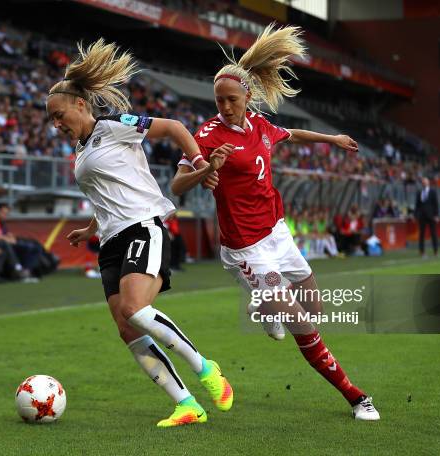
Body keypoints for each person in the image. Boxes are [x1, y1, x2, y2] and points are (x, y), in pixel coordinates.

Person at [172, 24, 379, 420]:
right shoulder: (208, 136)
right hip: (246, 248)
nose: (225, 107)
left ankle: (264, 307)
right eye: (219, 100)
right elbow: (178, 183)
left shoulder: (262, 126)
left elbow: (292, 134)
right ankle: (356, 397)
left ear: (248, 98)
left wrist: (332, 139)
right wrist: (206, 170)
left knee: (313, 308)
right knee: (303, 324)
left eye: (231, 100)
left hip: (277, 234)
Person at [45, 39, 233, 427]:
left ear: (80, 104)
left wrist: (199, 161)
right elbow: (108, 193)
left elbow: (175, 128)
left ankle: (206, 368)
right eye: (51, 119)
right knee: (126, 326)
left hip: (143, 228)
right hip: (110, 240)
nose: (56, 123)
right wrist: (90, 228)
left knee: (134, 308)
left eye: (59, 114)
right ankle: (186, 404)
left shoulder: (114, 126)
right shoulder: (81, 151)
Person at [415, 177, 439, 257]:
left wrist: (436, 215)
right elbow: (417, 205)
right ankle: (422, 251)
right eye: (423, 182)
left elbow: (435, 204)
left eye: (425, 182)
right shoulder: (419, 192)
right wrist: (416, 215)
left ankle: (435, 251)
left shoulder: (432, 191)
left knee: (433, 234)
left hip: (431, 215)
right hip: (422, 216)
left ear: (428, 183)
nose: (424, 183)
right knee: (421, 234)